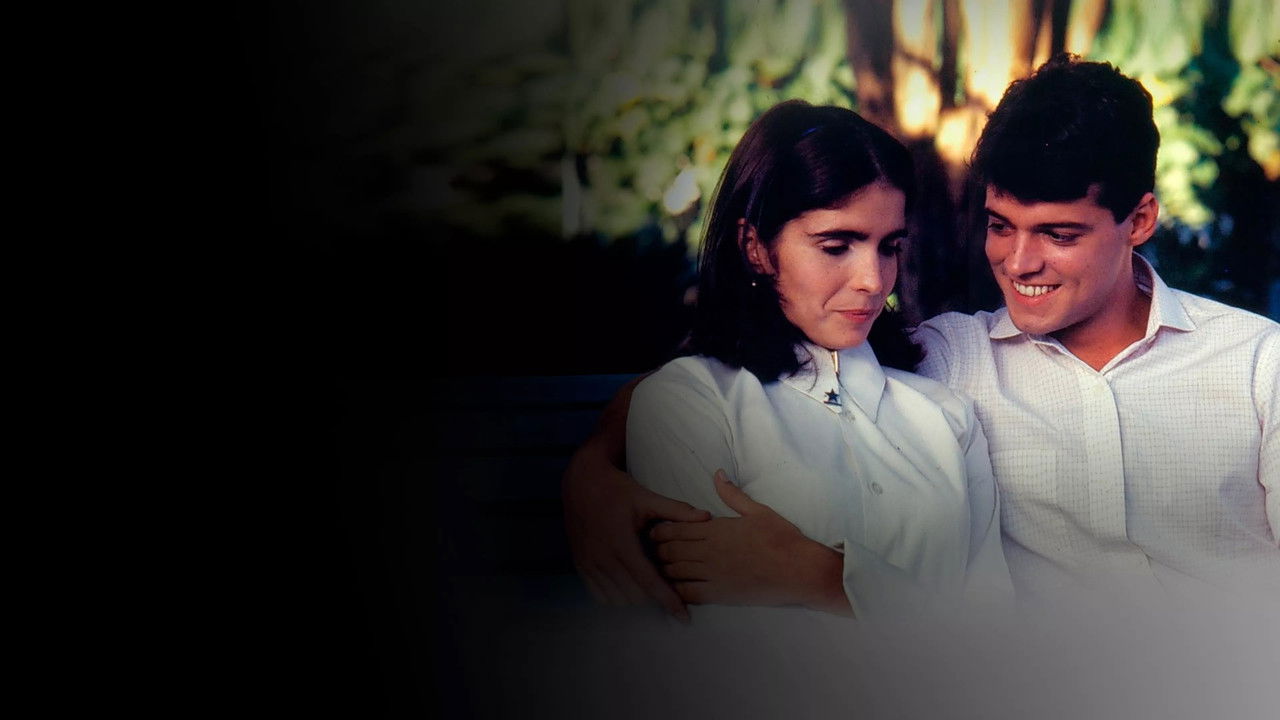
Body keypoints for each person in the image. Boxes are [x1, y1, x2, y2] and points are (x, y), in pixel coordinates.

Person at [562, 54, 1280, 617]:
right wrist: (589, 476)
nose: (1019, 262)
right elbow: (712, 381)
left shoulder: (1257, 365)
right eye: (999, 226)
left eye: (1059, 234)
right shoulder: (949, 358)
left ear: (1141, 220)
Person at [618, 100, 1012, 622]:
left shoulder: (947, 416)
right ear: (755, 247)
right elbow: (716, 638)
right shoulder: (690, 404)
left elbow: (995, 632)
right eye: (836, 246)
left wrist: (827, 579)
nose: (873, 280)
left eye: (889, 247)